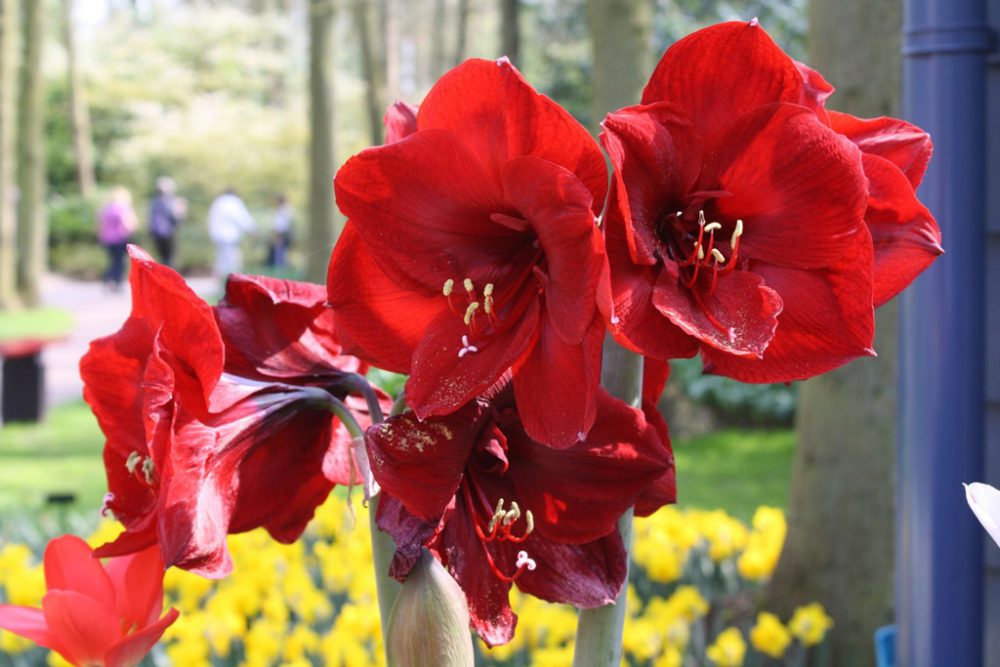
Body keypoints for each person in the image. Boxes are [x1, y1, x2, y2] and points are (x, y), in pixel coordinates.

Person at [207, 187, 256, 281]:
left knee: (221, 260)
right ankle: (233, 283)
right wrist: (252, 229)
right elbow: (242, 218)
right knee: (232, 261)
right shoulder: (234, 202)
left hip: (218, 236)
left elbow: (211, 220)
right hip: (230, 236)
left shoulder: (218, 202)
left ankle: (222, 283)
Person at [97, 187, 138, 291]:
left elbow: (101, 225)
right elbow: (127, 223)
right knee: (119, 262)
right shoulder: (123, 208)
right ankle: (117, 283)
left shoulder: (106, 209)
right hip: (120, 238)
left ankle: (108, 278)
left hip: (108, 239)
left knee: (112, 261)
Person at [148, 176, 186, 267]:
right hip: (169, 232)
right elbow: (176, 218)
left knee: (163, 257)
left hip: (156, 232)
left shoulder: (154, 201)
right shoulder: (172, 201)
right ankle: (168, 276)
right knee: (169, 257)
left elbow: (150, 218)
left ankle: (165, 275)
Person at [267, 193, 294, 269]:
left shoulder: (283, 211)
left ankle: (280, 270)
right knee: (282, 253)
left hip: (281, 235)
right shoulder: (287, 209)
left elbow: (280, 226)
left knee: (279, 254)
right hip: (283, 235)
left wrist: (275, 236)